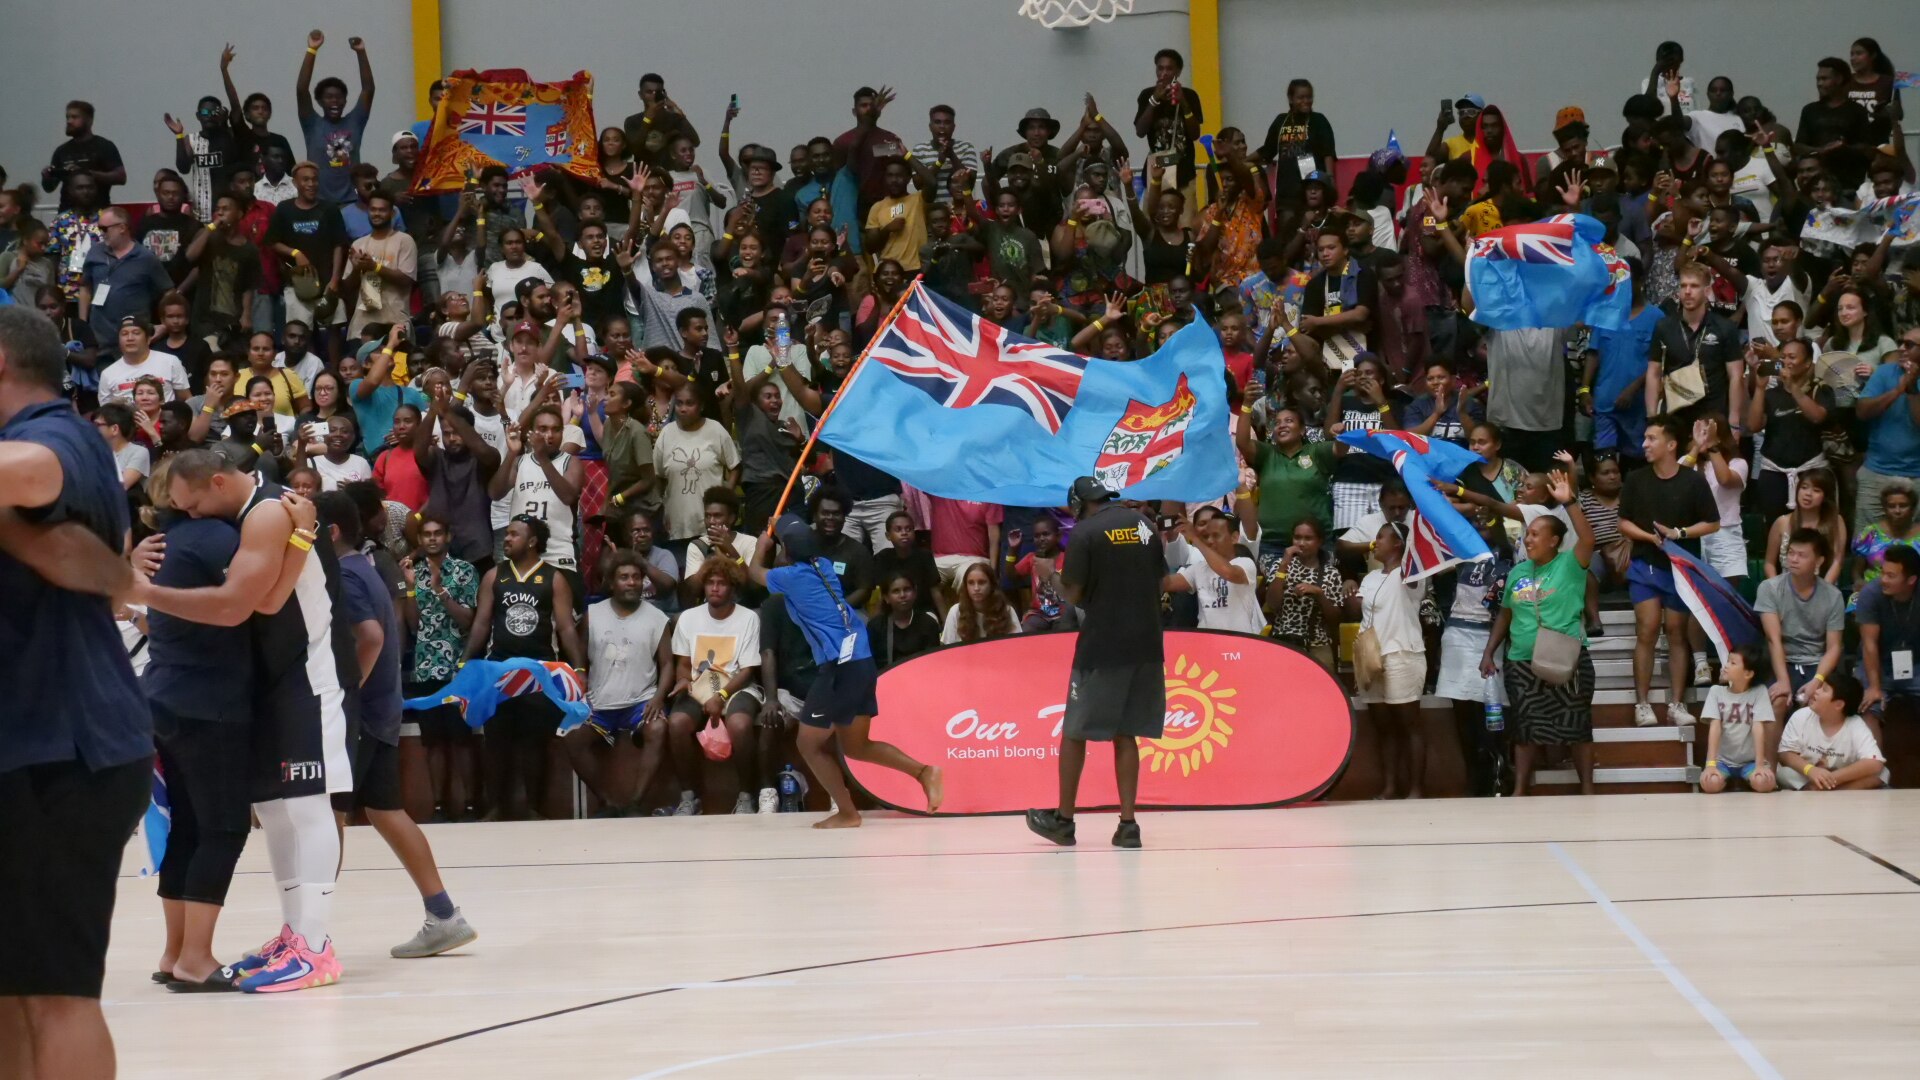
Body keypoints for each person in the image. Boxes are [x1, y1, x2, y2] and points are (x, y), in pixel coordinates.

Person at [129, 445, 349, 993]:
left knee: (298, 806)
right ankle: (287, 936)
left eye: (195, 502)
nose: (193, 513)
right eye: (183, 506)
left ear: (221, 483)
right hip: (219, 698)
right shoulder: (219, 532)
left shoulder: (268, 512)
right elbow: (244, 606)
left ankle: (310, 941)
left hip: (302, 674)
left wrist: (301, 536)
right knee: (247, 819)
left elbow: (258, 606)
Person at [0, 305, 152, 1067]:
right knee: (13, 993)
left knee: (58, 991)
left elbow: (32, 474)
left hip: (68, 748)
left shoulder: (57, 433)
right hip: (30, 745)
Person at [315, 492, 476, 959]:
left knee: (329, 816)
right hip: (381, 712)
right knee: (386, 811)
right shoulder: (366, 567)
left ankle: (311, 932)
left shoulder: (343, 574)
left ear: (332, 532)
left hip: (360, 715)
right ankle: (445, 915)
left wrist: (346, 695)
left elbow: (370, 637)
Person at [1028, 478, 1167, 849]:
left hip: (1103, 646)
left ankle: (1063, 820)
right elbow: (1161, 579)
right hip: (1148, 645)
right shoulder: (1144, 526)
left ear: (1079, 503)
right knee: (1127, 733)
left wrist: (1050, 575)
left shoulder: (1086, 532)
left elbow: (1074, 594)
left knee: (1074, 731)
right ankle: (1128, 824)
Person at [1484, 466, 1600, 795]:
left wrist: (1570, 501)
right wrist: (1489, 651)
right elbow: (1505, 614)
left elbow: (1588, 538)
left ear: (1554, 541)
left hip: (1568, 658)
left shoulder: (1570, 564)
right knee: (1525, 726)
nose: (1528, 538)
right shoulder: (1518, 570)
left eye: (1536, 534)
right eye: (1527, 534)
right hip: (1521, 659)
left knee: (1577, 725)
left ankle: (1587, 789)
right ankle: (1520, 789)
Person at [462, 514, 587, 820]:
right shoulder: (494, 576)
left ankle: (533, 807)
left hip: (538, 672)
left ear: (532, 541)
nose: (507, 539)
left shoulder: (554, 578)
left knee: (534, 742)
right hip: (499, 670)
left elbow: (567, 629)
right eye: (507, 534)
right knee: (496, 742)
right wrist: (466, 661)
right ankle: (495, 807)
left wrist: (580, 669)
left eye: (514, 534)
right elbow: (481, 623)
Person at [1619, 415, 1720, 727]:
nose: (1645, 444)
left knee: (1676, 632)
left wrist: (1679, 534)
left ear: (1671, 445)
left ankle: (1677, 704)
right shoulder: (1635, 479)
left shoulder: (1693, 481)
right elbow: (1623, 522)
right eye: (1645, 438)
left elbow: (1713, 522)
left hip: (1680, 569)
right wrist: (1649, 537)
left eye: (1652, 439)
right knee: (1647, 628)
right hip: (1644, 564)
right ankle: (1642, 704)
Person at [564, 552, 673, 817]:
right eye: (624, 577)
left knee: (658, 728)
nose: (631, 582)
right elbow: (580, 660)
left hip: (640, 702)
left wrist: (658, 698)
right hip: (600, 704)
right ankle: (607, 803)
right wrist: (582, 687)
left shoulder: (657, 617)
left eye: (636, 577)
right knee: (573, 739)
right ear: (611, 583)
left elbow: (668, 664)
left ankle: (636, 803)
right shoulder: (593, 614)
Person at [663, 555, 763, 817]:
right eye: (710, 583)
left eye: (721, 583)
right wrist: (683, 680)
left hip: (738, 687)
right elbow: (684, 663)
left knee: (740, 724)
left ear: (733, 588)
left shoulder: (748, 618)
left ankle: (746, 796)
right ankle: (690, 796)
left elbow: (749, 669)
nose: (715, 588)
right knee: (676, 724)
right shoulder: (688, 618)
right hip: (700, 687)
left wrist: (721, 695)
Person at [399, 513, 481, 822]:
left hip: (457, 668)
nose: (432, 538)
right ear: (419, 540)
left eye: (437, 533)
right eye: (426, 534)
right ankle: (437, 807)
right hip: (425, 669)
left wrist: (440, 591)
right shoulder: (414, 573)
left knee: (461, 738)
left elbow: (469, 621)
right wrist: (410, 588)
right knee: (432, 741)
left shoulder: (464, 571)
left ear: (447, 536)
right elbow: (413, 624)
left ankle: (472, 805)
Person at [1352, 521, 1429, 798]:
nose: (1376, 542)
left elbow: (1417, 561)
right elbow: (1358, 610)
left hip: (1402, 653)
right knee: (1384, 728)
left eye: (1382, 537)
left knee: (1409, 725)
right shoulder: (1370, 578)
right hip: (1372, 656)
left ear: (1398, 544)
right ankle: (1389, 787)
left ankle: (1416, 789)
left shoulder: (1411, 575)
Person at [1757, 528, 1847, 727]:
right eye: (1791, 553)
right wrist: (1783, 680)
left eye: (1802, 555)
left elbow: (1834, 647)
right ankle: (1769, 760)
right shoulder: (1770, 588)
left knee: (1822, 703)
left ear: (1819, 561)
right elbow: (1773, 639)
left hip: (1817, 662)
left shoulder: (1833, 596)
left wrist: (1818, 679)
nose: (1794, 559)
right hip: (1783, 660)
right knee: (1777, 702)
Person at [295, 30, 374, 206]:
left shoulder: (355, 121)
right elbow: (301, 90)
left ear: (345, 100)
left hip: (352, 202)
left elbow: (368, 89)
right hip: (319, 202)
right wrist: (312, 50)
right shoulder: (311, 123)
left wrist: (361, 52)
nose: (335, 101)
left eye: (339, 97)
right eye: (329, 97)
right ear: (319, 101)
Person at [1854, 328, 1920, 534]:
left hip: (1917, 474)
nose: (1901, 348)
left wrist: (1911, 390)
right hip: (1877, 471)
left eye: (1909, 345)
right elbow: (1862, 412)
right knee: (1865, 545)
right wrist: (1897, 390)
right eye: (1900, 342)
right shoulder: (1884, 372)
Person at [1776, 672, 1888, 790]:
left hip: (1841, 779)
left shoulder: (1855, 725)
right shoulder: (1801, 716)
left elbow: (1875, 763)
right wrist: (1811, 770)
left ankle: (1823, 790)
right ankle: (1829, 789)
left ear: (1838, 705)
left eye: (1824, 690)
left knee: (1882, 773)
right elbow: (1785, 754)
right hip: (1809, 775)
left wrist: (1832, 778)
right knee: (1784, 774)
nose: (1816, 691)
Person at [1264, 518, 1345, 672]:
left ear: (1319, 541)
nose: (1301, 543)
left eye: (1308, 538)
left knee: (1320, 693)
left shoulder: (1330, 573)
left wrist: (1319, 593)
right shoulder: (1280, 566)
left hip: (1317, 645)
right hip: (1283, 642)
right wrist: (1283, 566)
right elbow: (1273, 603)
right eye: (1297, 537)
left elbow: (1335, 618)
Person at [1698, 643, 1778, 795]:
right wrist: (1710, 765)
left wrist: (1760, 765)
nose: (1726, 666)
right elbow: (1714, 727)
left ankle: (1748, 779)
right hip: (1722, 762)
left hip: (1751, 761)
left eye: (1732, 663)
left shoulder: (1759, 692)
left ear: (1748, 674)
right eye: (1728, 661)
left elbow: (1758, 728)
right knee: (1710, 785)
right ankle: (1726, 781)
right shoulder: (1716, 692)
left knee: (1764, 784)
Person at [1164, 512, 1263, 634]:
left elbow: (1227, 572)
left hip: (1238, 644)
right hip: (1207, 644)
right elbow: (1165, 583)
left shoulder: (1245, 563)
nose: (1210, 541)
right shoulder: (1198, 568)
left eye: (1216, 536)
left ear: (1234, 538)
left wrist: (1195, 538)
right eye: (1206, 537)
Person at [1763, 467, 1847, 584]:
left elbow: (1837, 561)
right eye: (1804, 487)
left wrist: (1824, 591)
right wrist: (1776, 588)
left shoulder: (1836, 521)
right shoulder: (1782, 522)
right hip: (1786, 589)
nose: (1808, 494)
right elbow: (1769, 563)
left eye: (1816, 490)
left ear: (1825, 496)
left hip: (1824, 589)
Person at [43, 100, 127, 208]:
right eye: (67, 117)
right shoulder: (61, 150)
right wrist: (47, 176)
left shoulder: (104, 146)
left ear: (89, 120)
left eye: (74, 117)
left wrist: (86, 173)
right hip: (67, 214)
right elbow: (49, 188)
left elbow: (121, 177)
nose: (69, 121)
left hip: (98, 212)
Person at [1005, 516, 1078, 634]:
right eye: (1037, 536)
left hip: (1063, 613)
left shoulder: (1067, 559)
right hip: (1039, 614)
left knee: (1064, 632)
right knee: (1027, 632)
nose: (1041, 539)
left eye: (1046, 534)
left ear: (1058, 536)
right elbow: (1011, 575)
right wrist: (1013, 550)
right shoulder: (1031, 559)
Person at [868, 571, 942, 671]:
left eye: (907, 589)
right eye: (896, 591)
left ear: (915, 592)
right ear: (886, 598)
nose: (902, 595)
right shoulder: (876, 626)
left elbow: (933, 664)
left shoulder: (928, 623)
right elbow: (871, 665)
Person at [1852, 479, 1918, 588]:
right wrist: (1859, 582)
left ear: (1913, 508)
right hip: (1873, 591)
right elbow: (1857, 572)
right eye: (1892, 506)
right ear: (1884, 508)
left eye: (1903, 505)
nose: (1897, 511)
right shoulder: (1870, 533)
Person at [941, 562, 1021, 644]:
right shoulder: (955, 612)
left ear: (992, 585)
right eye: (971, 583)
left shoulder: (1007, 610)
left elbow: (1016, 645)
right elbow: (949, 650)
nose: (976, 588)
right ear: (966, 586)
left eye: (982, 582)